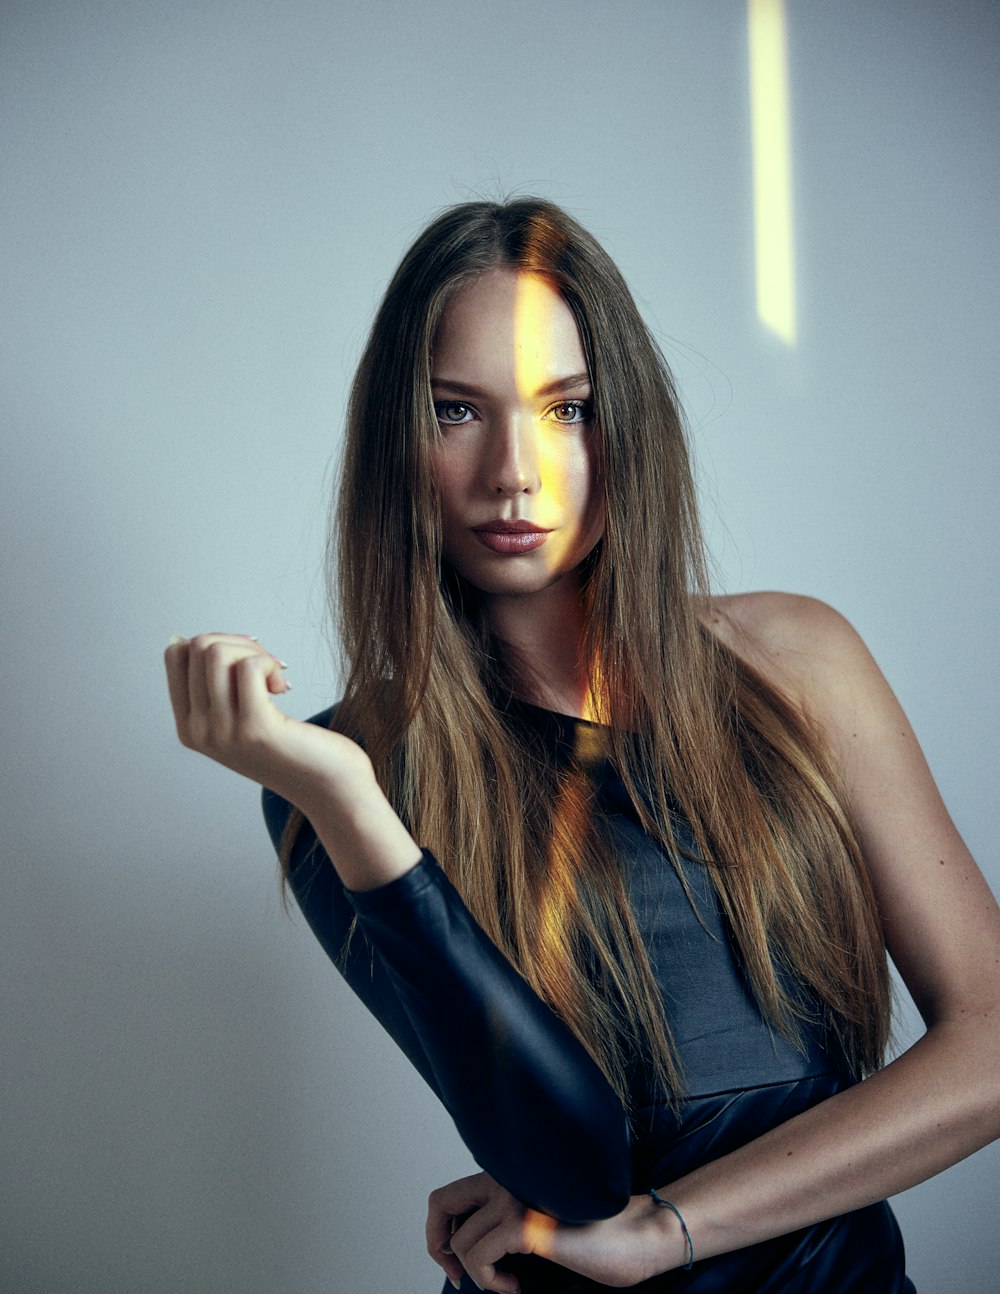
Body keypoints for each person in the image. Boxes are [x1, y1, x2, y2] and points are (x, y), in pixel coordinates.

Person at [164, 199, 1000, 1293]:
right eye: (456, 411)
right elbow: (568, 1168)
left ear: (630, 427)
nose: (514, 470)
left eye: (568, 411)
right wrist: (349, 804)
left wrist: (669, 1227)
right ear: (396, 443)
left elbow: (990, 1045)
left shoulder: (795, 659)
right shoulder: (337, 778)